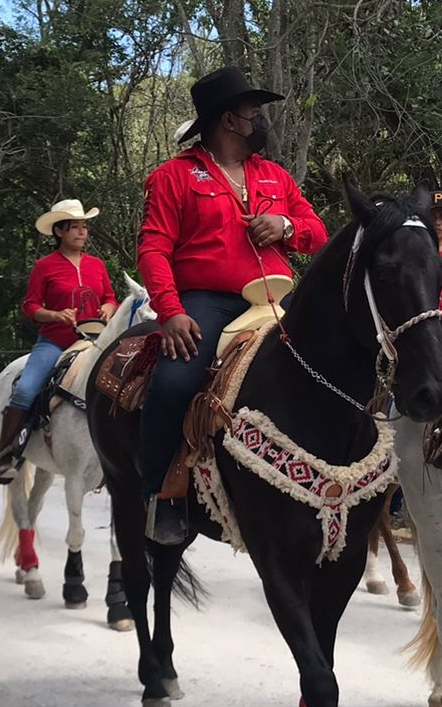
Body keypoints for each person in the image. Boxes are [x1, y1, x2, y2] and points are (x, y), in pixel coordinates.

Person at [138, 64, 328, 543]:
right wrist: (171, 311)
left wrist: (284, 226)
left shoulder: (276, 177)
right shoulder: (173, 176)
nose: (261, 121)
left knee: (338, 370)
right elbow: (153, 248)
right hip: (208, 302)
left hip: (279, 297)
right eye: (254, 112)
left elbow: (317, 234)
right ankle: (161, 494)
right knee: (174, 380)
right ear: (228, 120)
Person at [0, 200, 117, 482]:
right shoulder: (44, 266)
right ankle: (7, 454)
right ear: (59, 231)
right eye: (75, 228)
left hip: (93, 343)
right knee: (25, 390)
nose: (82, 233)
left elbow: (110, 297)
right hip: (55, 343)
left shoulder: (97, 265)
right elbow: (31, 306)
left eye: (84, 227)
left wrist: (109, 307)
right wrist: (55, 314)